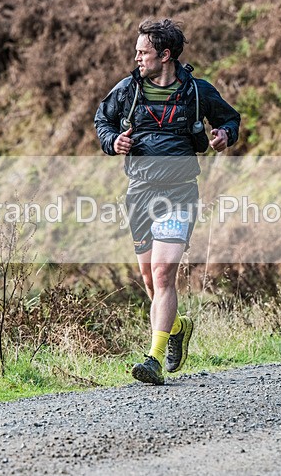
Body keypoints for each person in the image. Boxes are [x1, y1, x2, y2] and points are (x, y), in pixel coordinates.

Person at [94, 19, 241, 385]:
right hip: (139, 192)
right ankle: (178, 327)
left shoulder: (196, 91)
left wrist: (224, 134)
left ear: (165, 55)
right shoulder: (128, 90)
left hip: (179, 193)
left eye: (143, 52)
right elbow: (102, 121)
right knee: (150, 281)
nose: (136, 57)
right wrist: (114, 142)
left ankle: (154, 359)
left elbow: (229, 119)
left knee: (163, 273)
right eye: (137, 52)